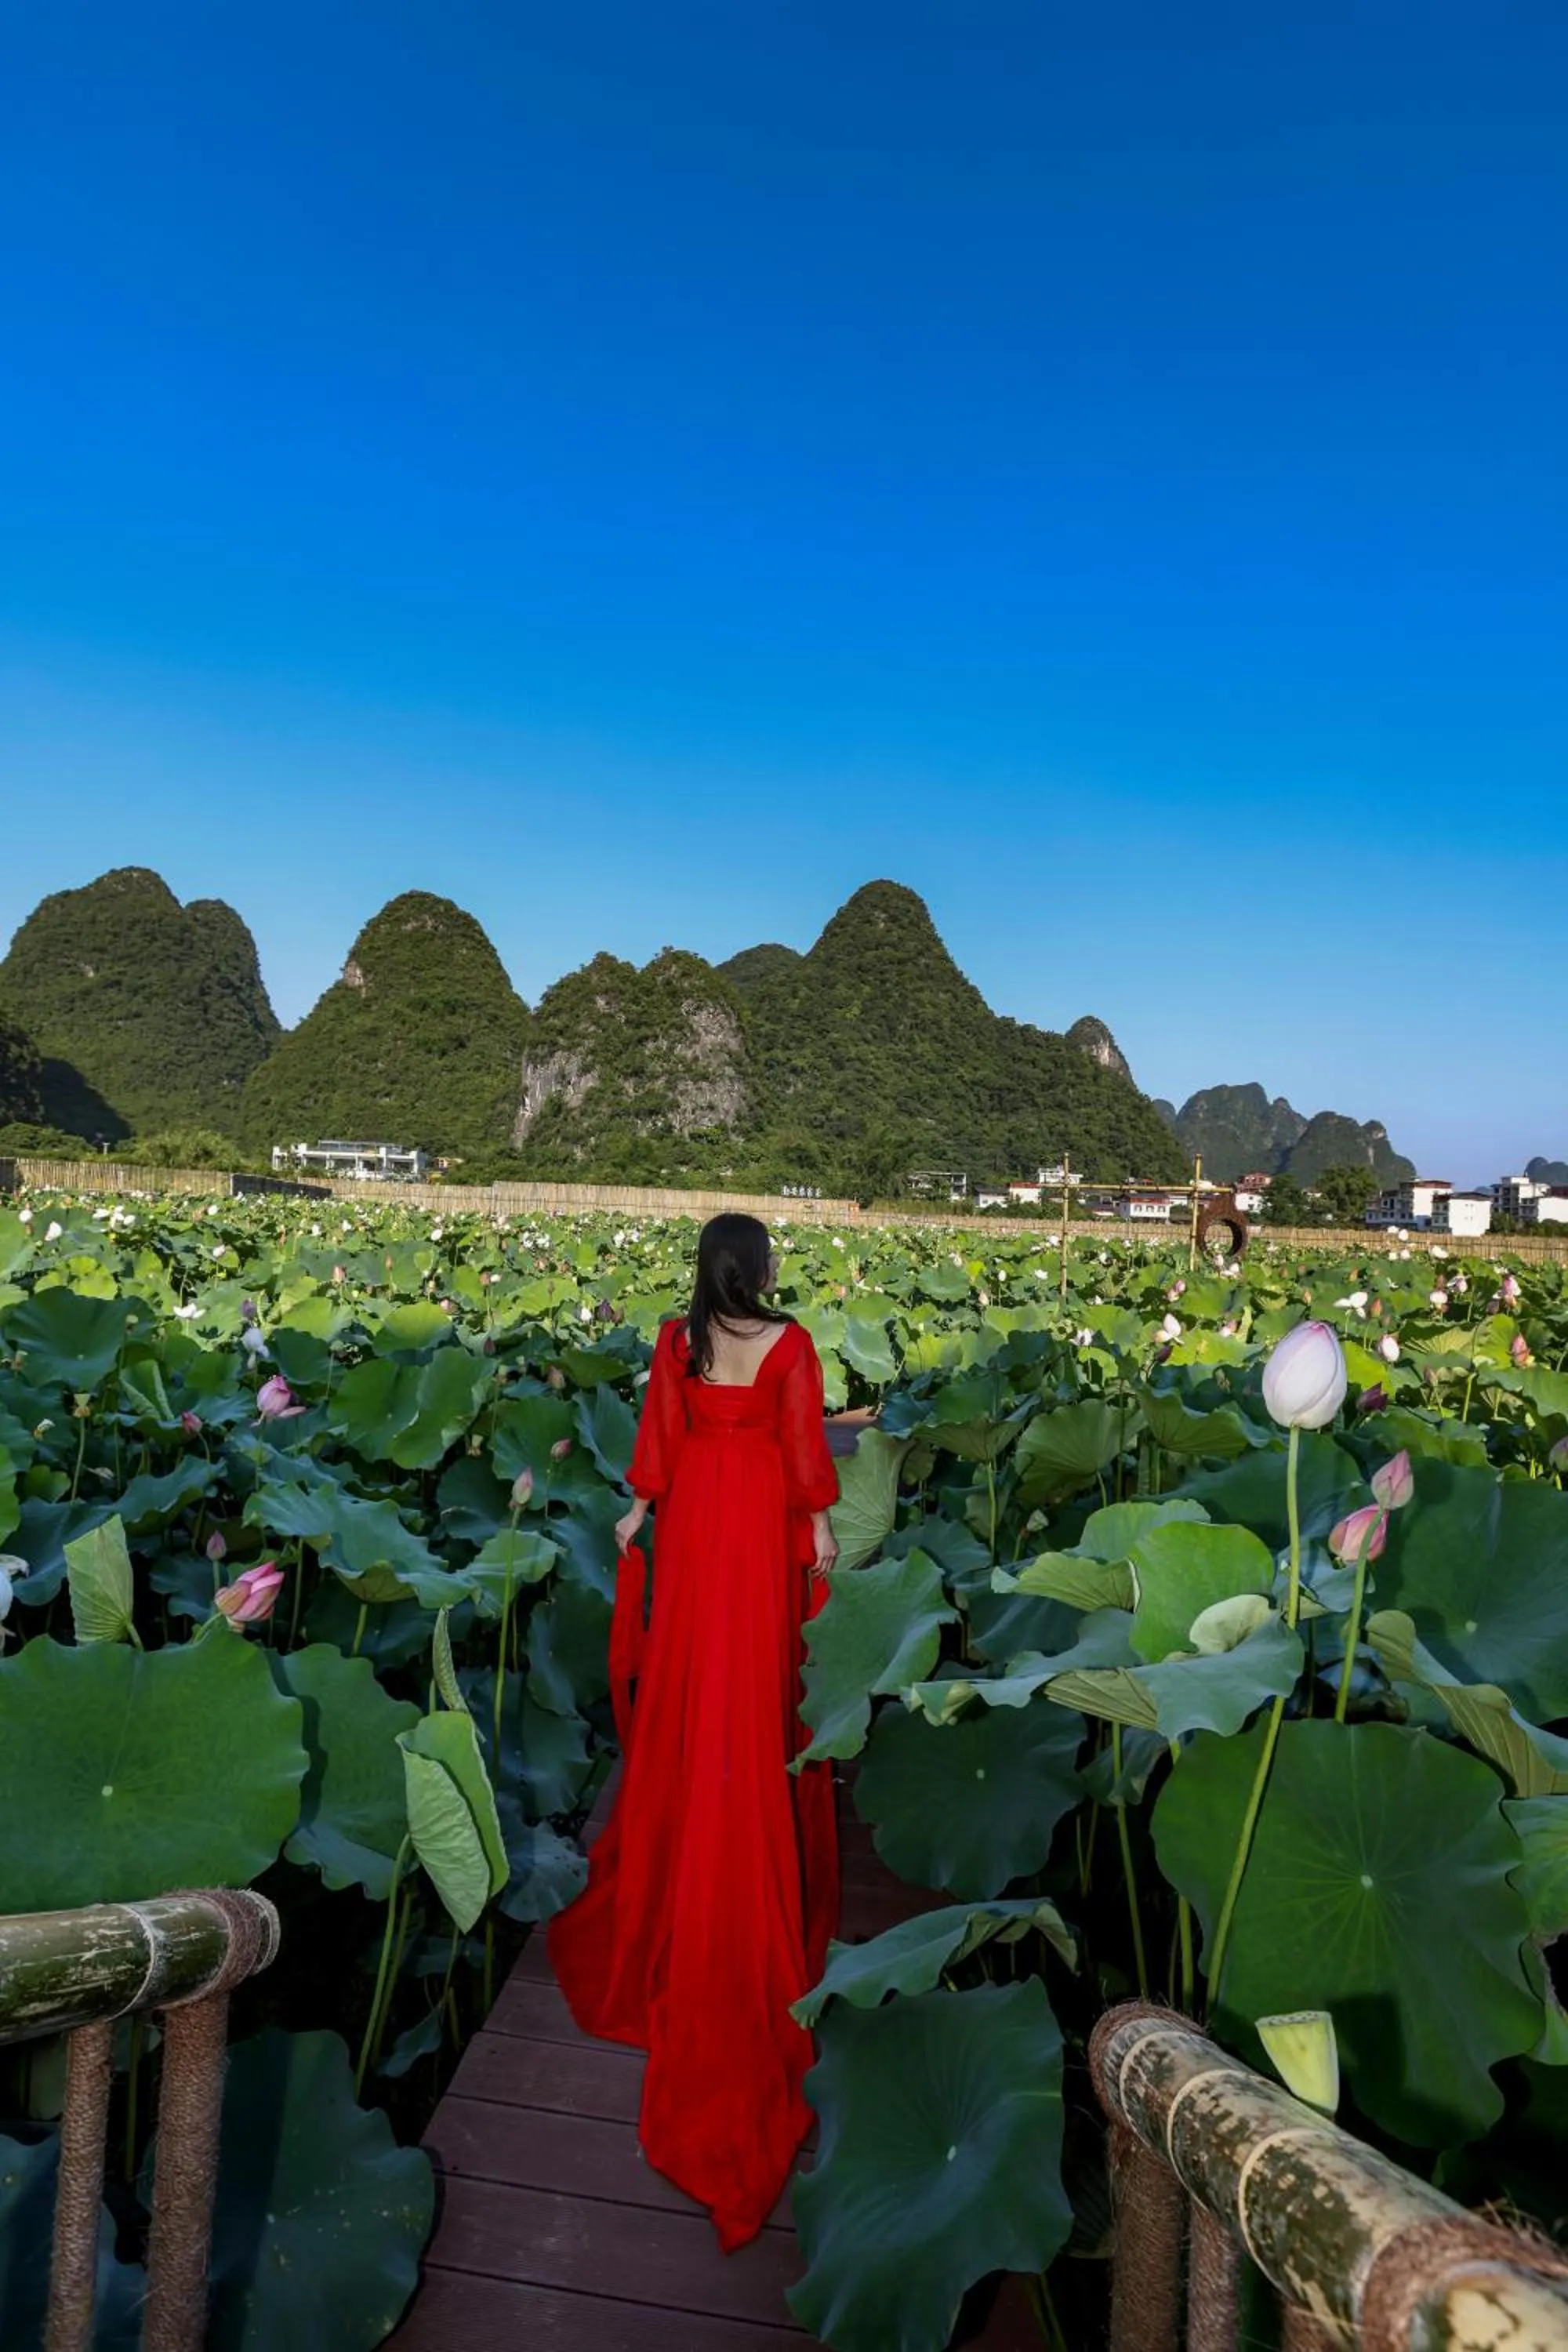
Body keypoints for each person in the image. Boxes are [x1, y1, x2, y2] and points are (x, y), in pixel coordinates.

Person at [546, 1211, 842, 2252]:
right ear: (755, 1268)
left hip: (700, 1522)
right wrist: (820, 1527)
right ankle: (739, 1821)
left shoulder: (677, 1341)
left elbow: (658, 1449)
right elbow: (805, 1460)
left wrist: (639, 1513)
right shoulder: (791, 1345)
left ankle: (684, 1850)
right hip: (756, 1522)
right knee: (753, 1688)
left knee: (689, 1687)